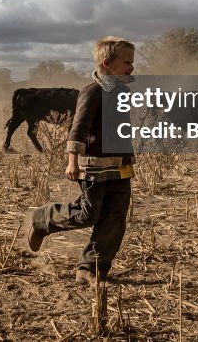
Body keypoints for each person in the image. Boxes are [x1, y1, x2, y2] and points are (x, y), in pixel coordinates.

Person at [23, 36, 136, 286]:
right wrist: (72, 160)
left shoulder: (124, 92)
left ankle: (90, 267)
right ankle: (43, 219)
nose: (132, 67)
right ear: (107, 63)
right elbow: (79, 127)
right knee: (88, 214)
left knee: (115, 218)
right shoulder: (92, 91)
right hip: (94, 165)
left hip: (121, 165)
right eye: (127, 62)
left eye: (132, 62)